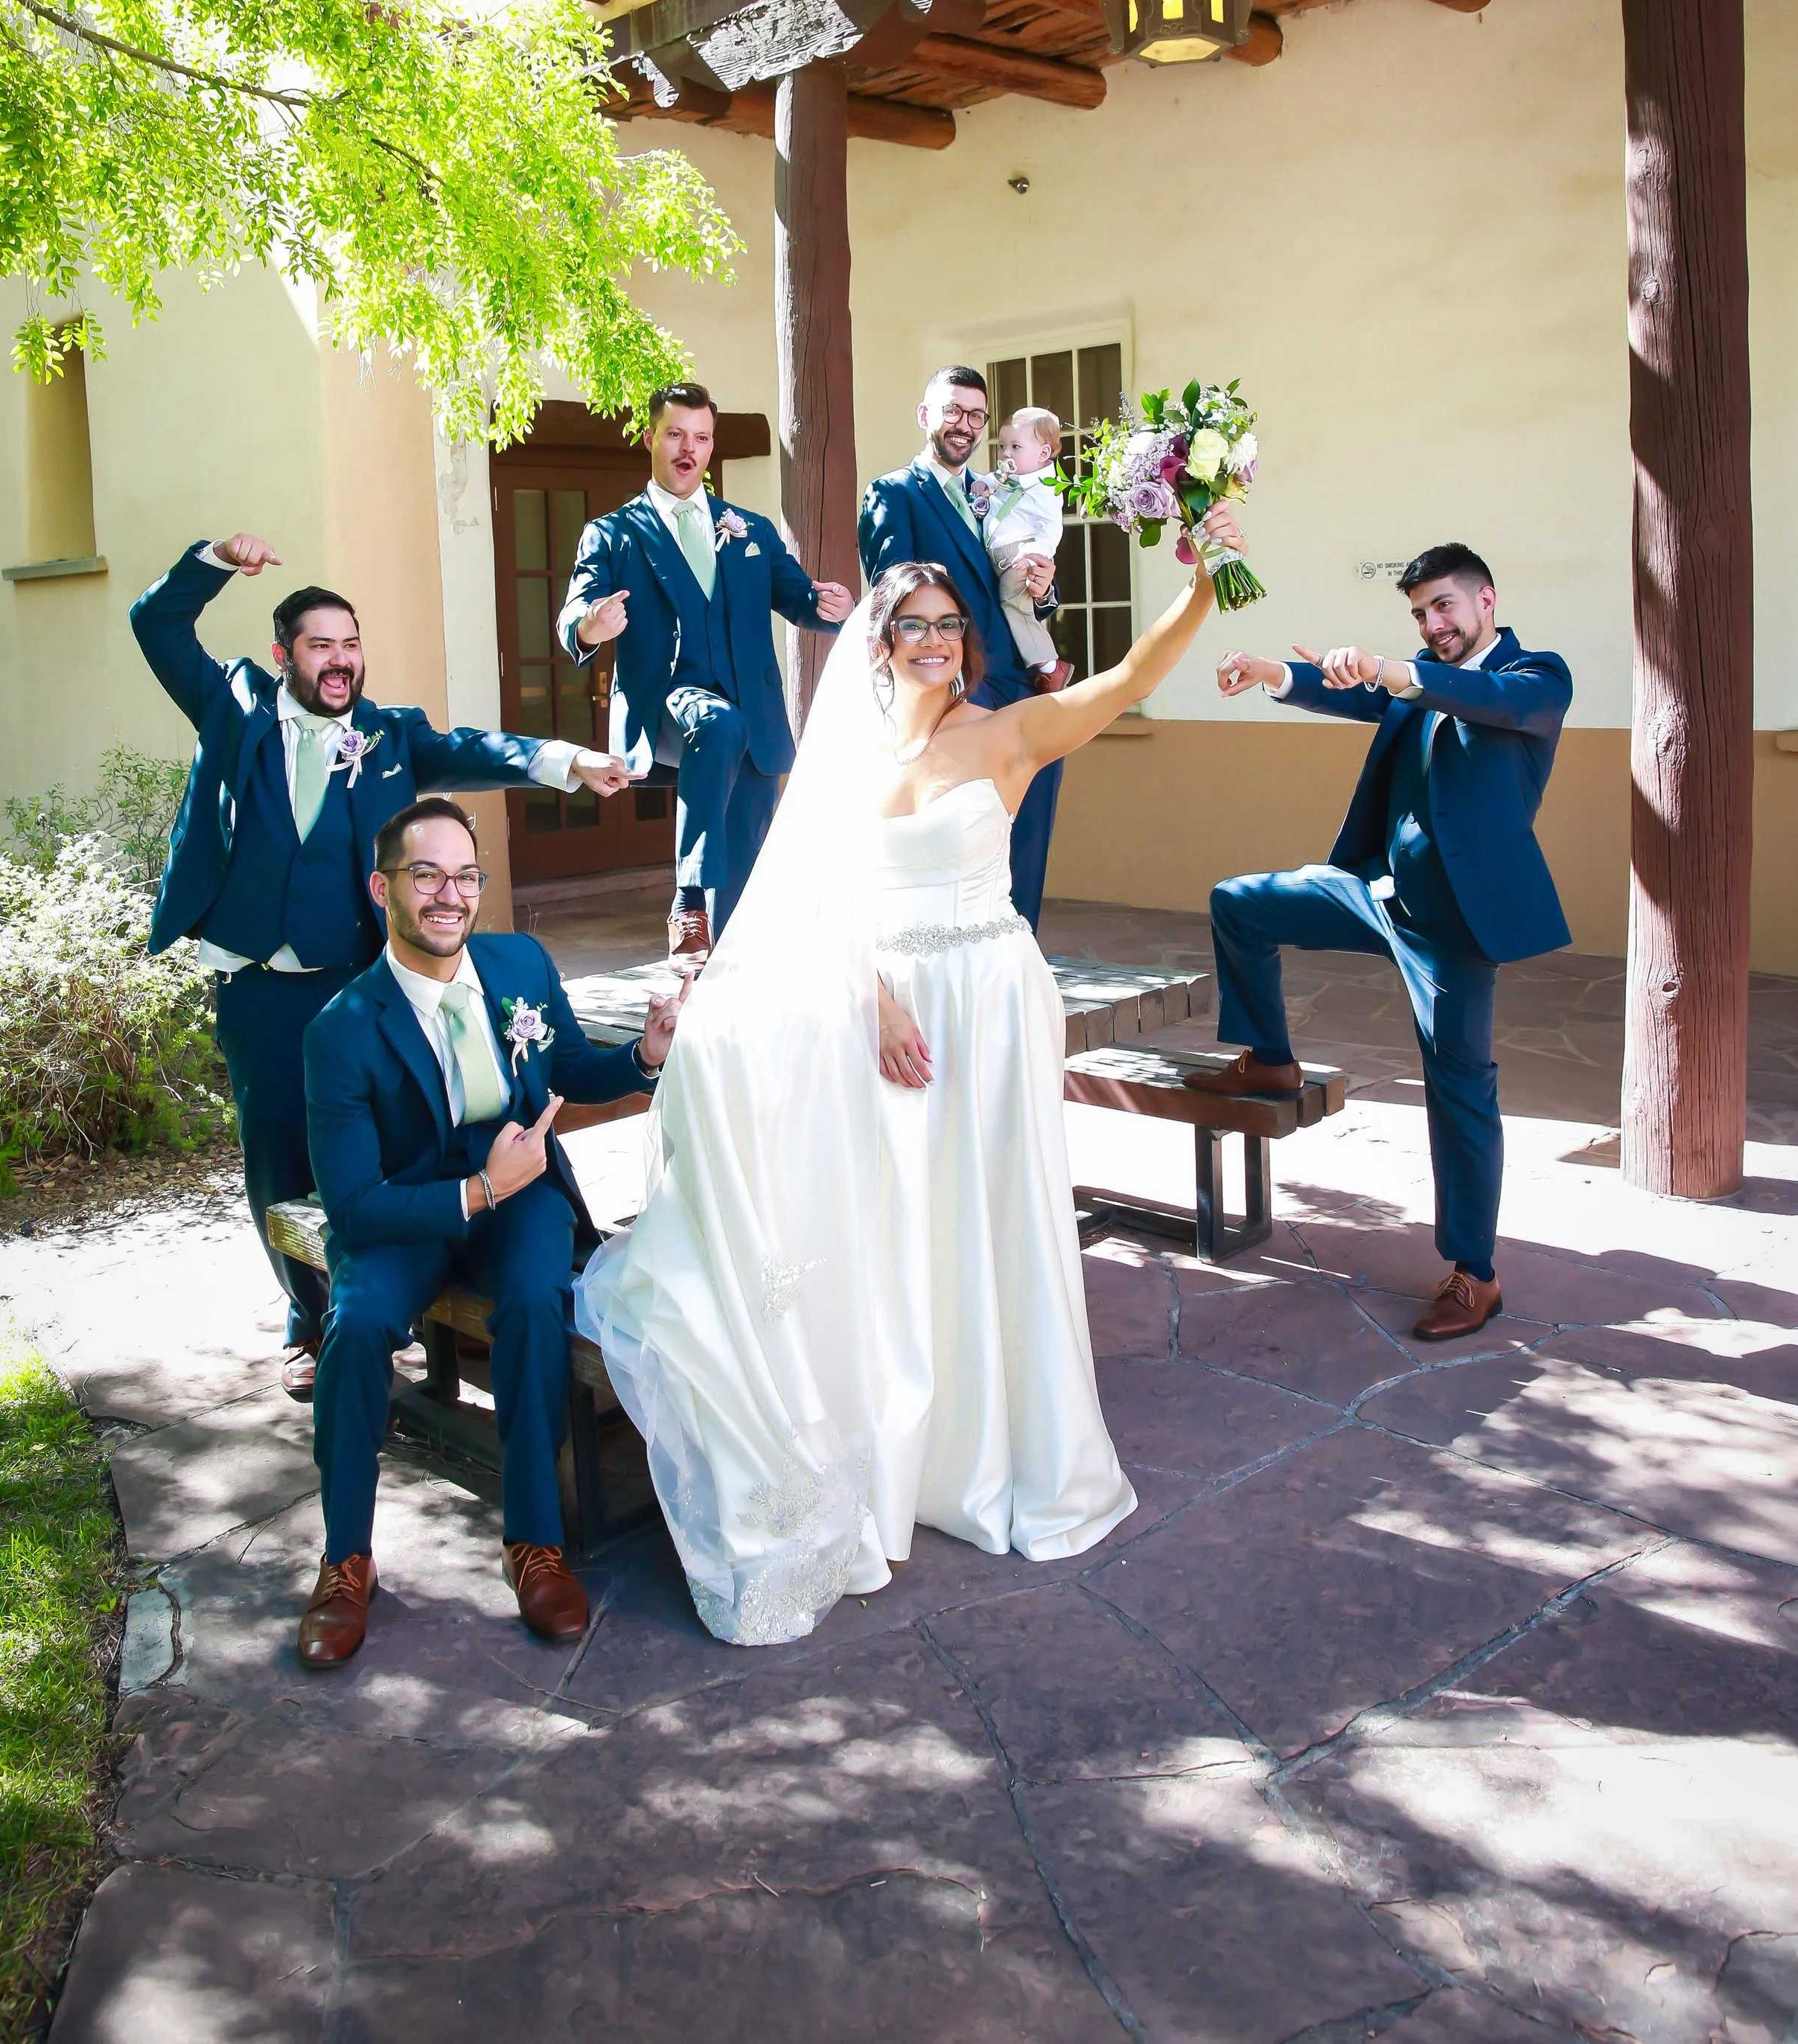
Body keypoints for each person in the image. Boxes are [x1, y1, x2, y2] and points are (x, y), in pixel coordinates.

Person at [576, 504, 1246, 1648]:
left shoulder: (1009, 737)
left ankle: (1002, 1454)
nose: (935, 640)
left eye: (950, 625)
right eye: (914, 626)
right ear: (880, 643)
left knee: (994, 1221)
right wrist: (876, 998)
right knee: (899, 1222)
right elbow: (816, 893)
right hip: (888, 1013)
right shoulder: (846, 758)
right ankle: (902, 1445)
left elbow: (1132, 676)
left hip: (990, 1005)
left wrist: (1206, 573)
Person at [132, 533, 630, 1400]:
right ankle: (306, 1321)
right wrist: (213, 558)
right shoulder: (234, 704)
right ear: (284, 652)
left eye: (352, 643)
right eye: (321, 644)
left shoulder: (389, 735)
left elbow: (479, 749)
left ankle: (430, 1298)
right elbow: (157, 621)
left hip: (360, 982)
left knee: (397, 1149)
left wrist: (567, 760)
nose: (341, 660)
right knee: (279, 1155)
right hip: (258, 981)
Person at [294, 797, 679, 1667]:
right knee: (352, 1330)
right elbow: (351, 1206)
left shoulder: (520, 962)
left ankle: (534, 1541)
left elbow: (569, 1065)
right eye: (426, 874)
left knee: (540, 1298)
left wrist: (644, 1056)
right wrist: (472, 1190)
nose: (449, 894)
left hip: (522, 1195)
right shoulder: (341, 1031)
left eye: (465, 875)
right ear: (381, 886)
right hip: (406, 1212)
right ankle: (345, 1557)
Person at [1190, 543, 1572, 1343]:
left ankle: (1474, 1274)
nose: (1433, 624)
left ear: (1485, 600)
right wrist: (1272, 673)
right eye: (1419, 613)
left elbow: (1475, 696)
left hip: (1452, 927)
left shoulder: (1536, 678)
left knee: (1461, 1086)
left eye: (1444, 607)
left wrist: (1397, 669)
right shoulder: (1416, 679)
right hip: (1373, 893)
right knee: (1240, 902)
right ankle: (1270, 1055)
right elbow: (1365, 697)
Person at [558, 383, 853, 972]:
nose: (687, 449)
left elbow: (797, 596)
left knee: (742, 889)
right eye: (675, 434)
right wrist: (591, 626)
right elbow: (573, 617)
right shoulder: (614, 533)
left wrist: (829, 604)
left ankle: (723, 994)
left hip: (754, 718)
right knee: (716, 723)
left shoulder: (749, 528)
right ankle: (687, 901)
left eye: (700, 437)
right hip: (668, 705)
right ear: (650, 439)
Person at [858, 367, 1063, 929]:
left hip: (1022, 688)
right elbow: (893, 598)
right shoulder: (894, 493)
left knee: (1029, 839)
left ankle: (1017, 961)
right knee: (965, 849)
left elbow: (1015, 584)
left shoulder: (995, 492)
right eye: (952, 411)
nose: (965, 425)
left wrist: (1045, 586)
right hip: (956, 698)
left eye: (976, 415)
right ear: (926, 416)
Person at [978, 406, 1072, 694]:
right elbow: (992, 482)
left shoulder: (1047, 489)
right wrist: (984, 485)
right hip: (998, 557)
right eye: (1002, 447)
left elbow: (1051, 529)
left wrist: (1035, 552)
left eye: (1015, 447)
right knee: (1011, 605)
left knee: (1013, 603)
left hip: (1020, 558)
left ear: (1043, 453)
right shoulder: (1009, 478)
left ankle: (1049, 666)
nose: (1006, 454)